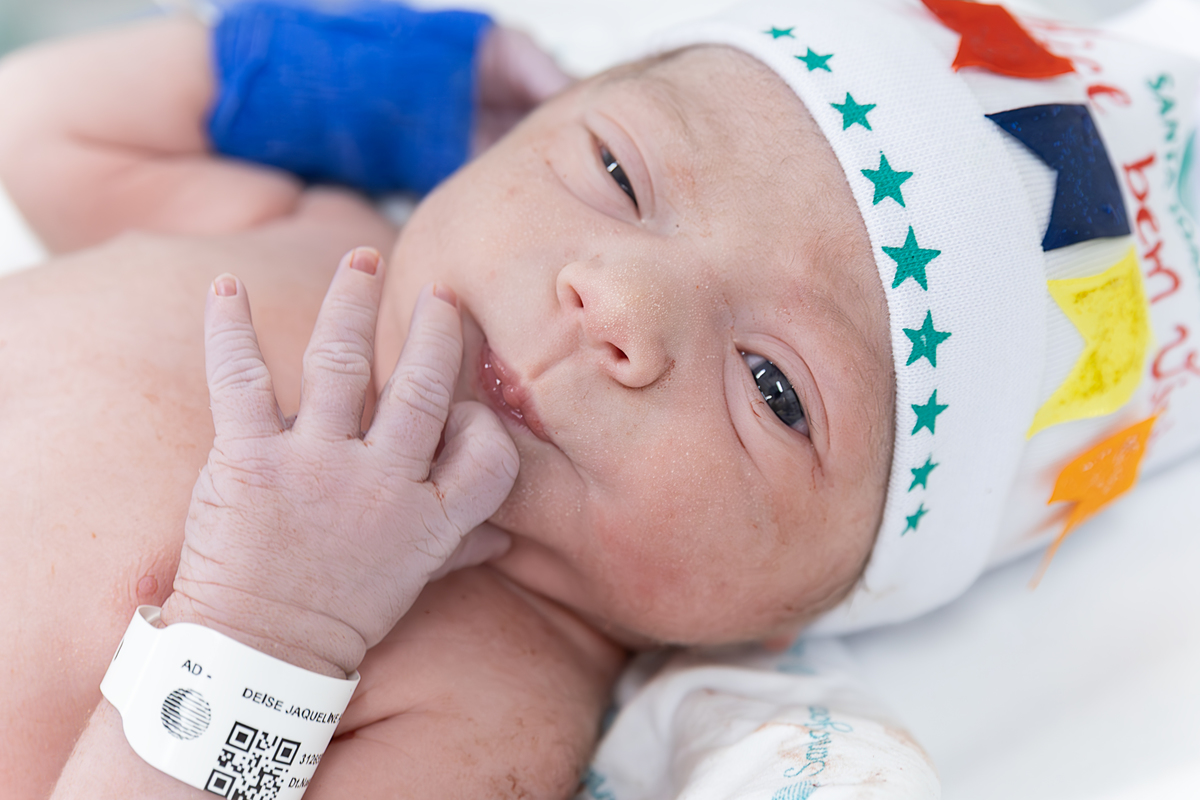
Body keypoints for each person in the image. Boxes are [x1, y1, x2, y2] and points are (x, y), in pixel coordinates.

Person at [1, 0, 1198, 798]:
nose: (619, 300)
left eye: (775, 387)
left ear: (775, 618)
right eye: (618, 173)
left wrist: (262, 634)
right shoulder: (311, 235)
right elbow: (43, 126)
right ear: (524, 130)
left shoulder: (495, 710)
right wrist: (358, 87)